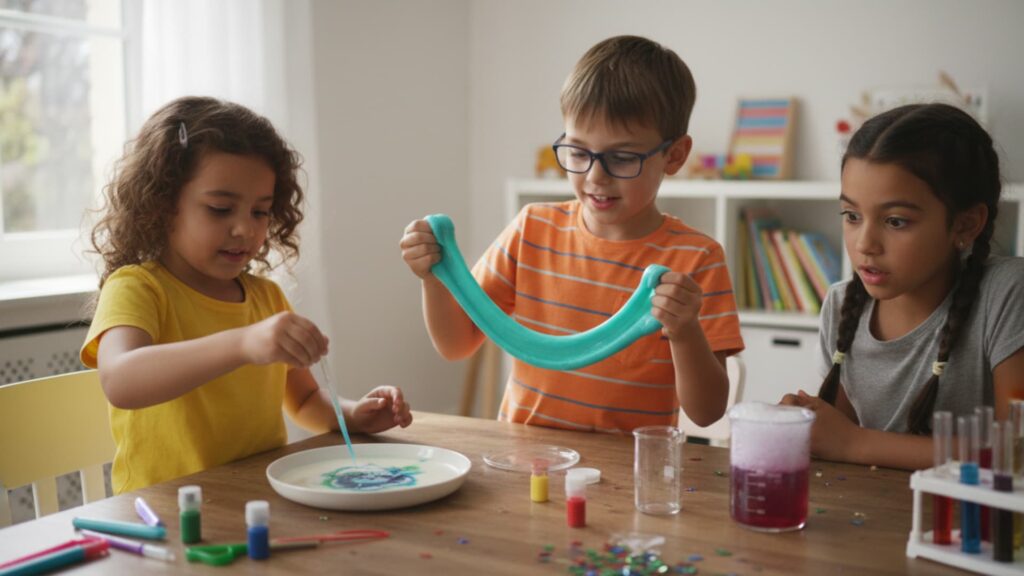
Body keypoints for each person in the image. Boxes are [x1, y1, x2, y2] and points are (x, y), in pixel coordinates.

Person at [400, 36, 744, 433]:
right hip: (524, 462)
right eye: (578, 153)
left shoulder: (696, 258)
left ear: (675, 155)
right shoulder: (531, 229)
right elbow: (455, 345)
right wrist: (433, 278)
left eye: (622, 157)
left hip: (624, 476)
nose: (595, 176)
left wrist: (684, 332)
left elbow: (707, 412)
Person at [82, 96, 412, 493]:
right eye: (221, 209)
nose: (245, 229)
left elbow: (305, 400)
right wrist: (243, 343)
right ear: (163, 204)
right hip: (165, 515)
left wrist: (354, 416)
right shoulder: (138, 287)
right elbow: (121, 381)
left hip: (253, 501)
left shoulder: (266, 297)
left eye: (260, 212)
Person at [782, 103, 1024, 469]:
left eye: (895, 221)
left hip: (970, 524)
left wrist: (854, 443)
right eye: (851, 216)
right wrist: (808, 426)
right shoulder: (841, 304)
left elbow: (1017, 448)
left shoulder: (1005, 293)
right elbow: (837, 444)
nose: (865, 243)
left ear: (965, 225)